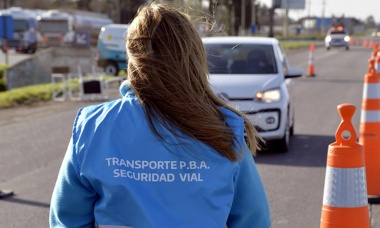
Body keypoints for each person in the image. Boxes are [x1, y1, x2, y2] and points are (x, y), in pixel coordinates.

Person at [49, 3, 271, 228]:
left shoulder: (93, 127)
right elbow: (254, 221)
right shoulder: (222, 128)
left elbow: (67, 220)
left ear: (132, 57)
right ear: (194, 57)